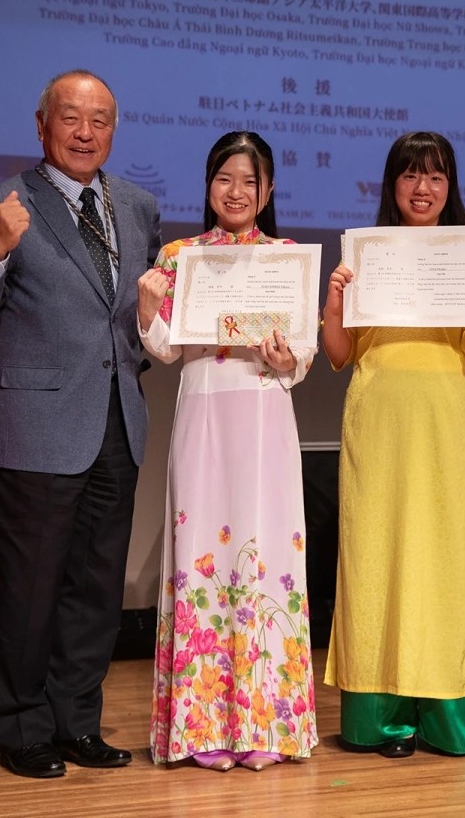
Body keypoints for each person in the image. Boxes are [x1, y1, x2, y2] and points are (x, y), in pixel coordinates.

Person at [0, 69, 162, 779]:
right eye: (70, 117)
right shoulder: (0, 204)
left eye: (99, 120)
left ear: (113, 131)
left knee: (96, 592)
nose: (84, 132)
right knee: (30, 590)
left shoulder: (137, 206)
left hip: (116, 421)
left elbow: (136, 314)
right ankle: (21, 728)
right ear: (42, 125)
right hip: (31, 426)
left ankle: (77, 723)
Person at [320, 131, 465, 758]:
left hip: (441, 425)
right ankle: (380, 720)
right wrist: (335, 299)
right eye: (410, 175)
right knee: (375, 561)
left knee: (438, 563)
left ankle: (441, 717)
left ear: (450, 186)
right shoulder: (367, 254)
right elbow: (339, 354)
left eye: (435, 176)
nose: (422, 188)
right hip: (377, 424)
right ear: (392, 184)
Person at [138, 131, 319, 772]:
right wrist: (148, 307)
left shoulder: (286, 258)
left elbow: (302, 352)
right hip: (204, 411)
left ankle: (266, 723)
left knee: (268, 556)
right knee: (202, 554)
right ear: (208, 185)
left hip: (265, 413)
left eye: (250, 181)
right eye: (225, 179)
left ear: (267, 192)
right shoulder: (180, 256)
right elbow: (165, 348)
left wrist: (286, 357)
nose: (236, 192)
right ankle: (203, 725)